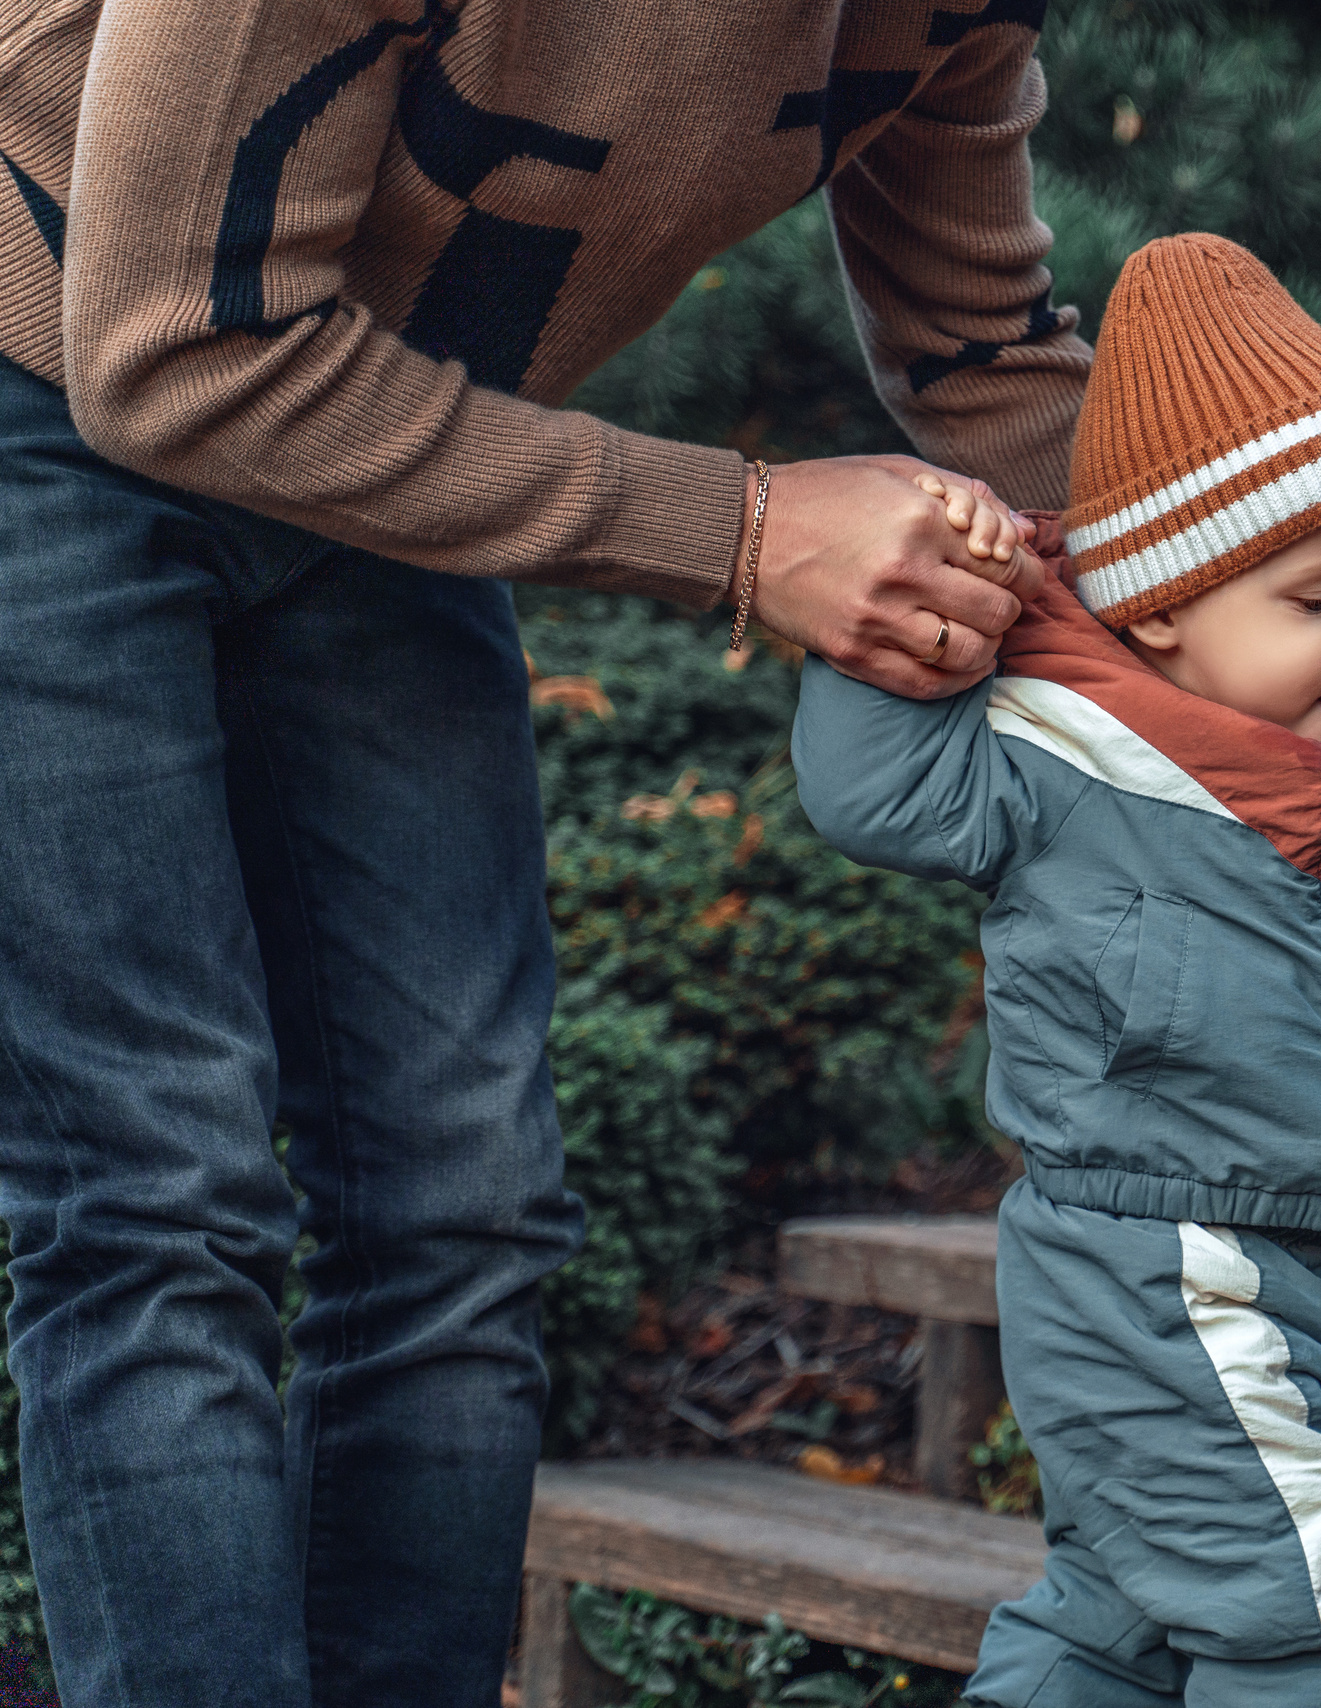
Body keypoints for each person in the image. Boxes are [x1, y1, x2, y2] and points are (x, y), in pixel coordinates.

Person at [0, 4, 1088, 1704]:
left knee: (465, 1196)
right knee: (159, 1185)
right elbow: (171, 355)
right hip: (52, 373)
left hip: (367, 409)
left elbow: (993, 363)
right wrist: (740, 532)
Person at [793, 233, 1321, 1708]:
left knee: (1120, 1617)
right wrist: (897, 634)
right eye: (1314, 600)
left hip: (1305, 1237)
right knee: (1295, 1625)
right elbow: (872, 799)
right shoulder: (1057, 756)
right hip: (1160, 1250)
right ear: (1162, 601)